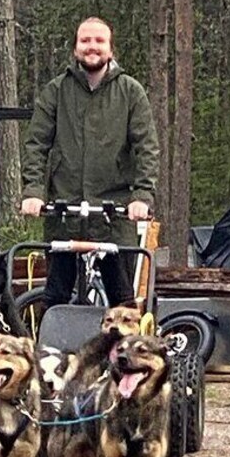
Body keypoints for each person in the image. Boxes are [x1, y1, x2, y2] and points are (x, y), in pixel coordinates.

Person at [21, 16, 159, 308]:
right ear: (75, 48)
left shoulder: (131, 92)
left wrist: (142, 196)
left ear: (111, 48)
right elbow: (36, 144)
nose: (92, 47)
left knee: (123, 301)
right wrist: (33, 192)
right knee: (56, 296)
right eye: (85, 41)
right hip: (64, 211)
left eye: (99, 41)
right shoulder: (57, 91)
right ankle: (50, 351)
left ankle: (126, 353)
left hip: (113, 213)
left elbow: (146, 147)